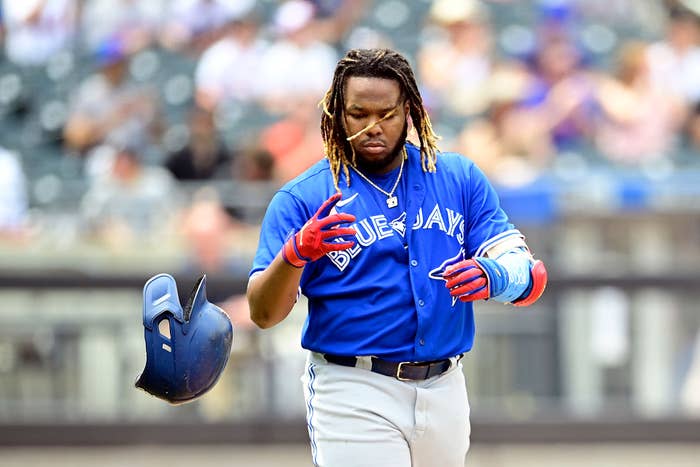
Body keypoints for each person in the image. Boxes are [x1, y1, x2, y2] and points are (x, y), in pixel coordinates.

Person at [246, 48, 547, 467]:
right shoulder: (303, 197)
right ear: (336, 114)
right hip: (354, 386)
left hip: (445, 386)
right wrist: (295, 255)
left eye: (386, 113)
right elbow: (263, 312)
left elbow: (528, 272)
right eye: (358, 113)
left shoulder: (457, 178)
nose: (372, 126)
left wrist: (495, 275)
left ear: (410, 111)